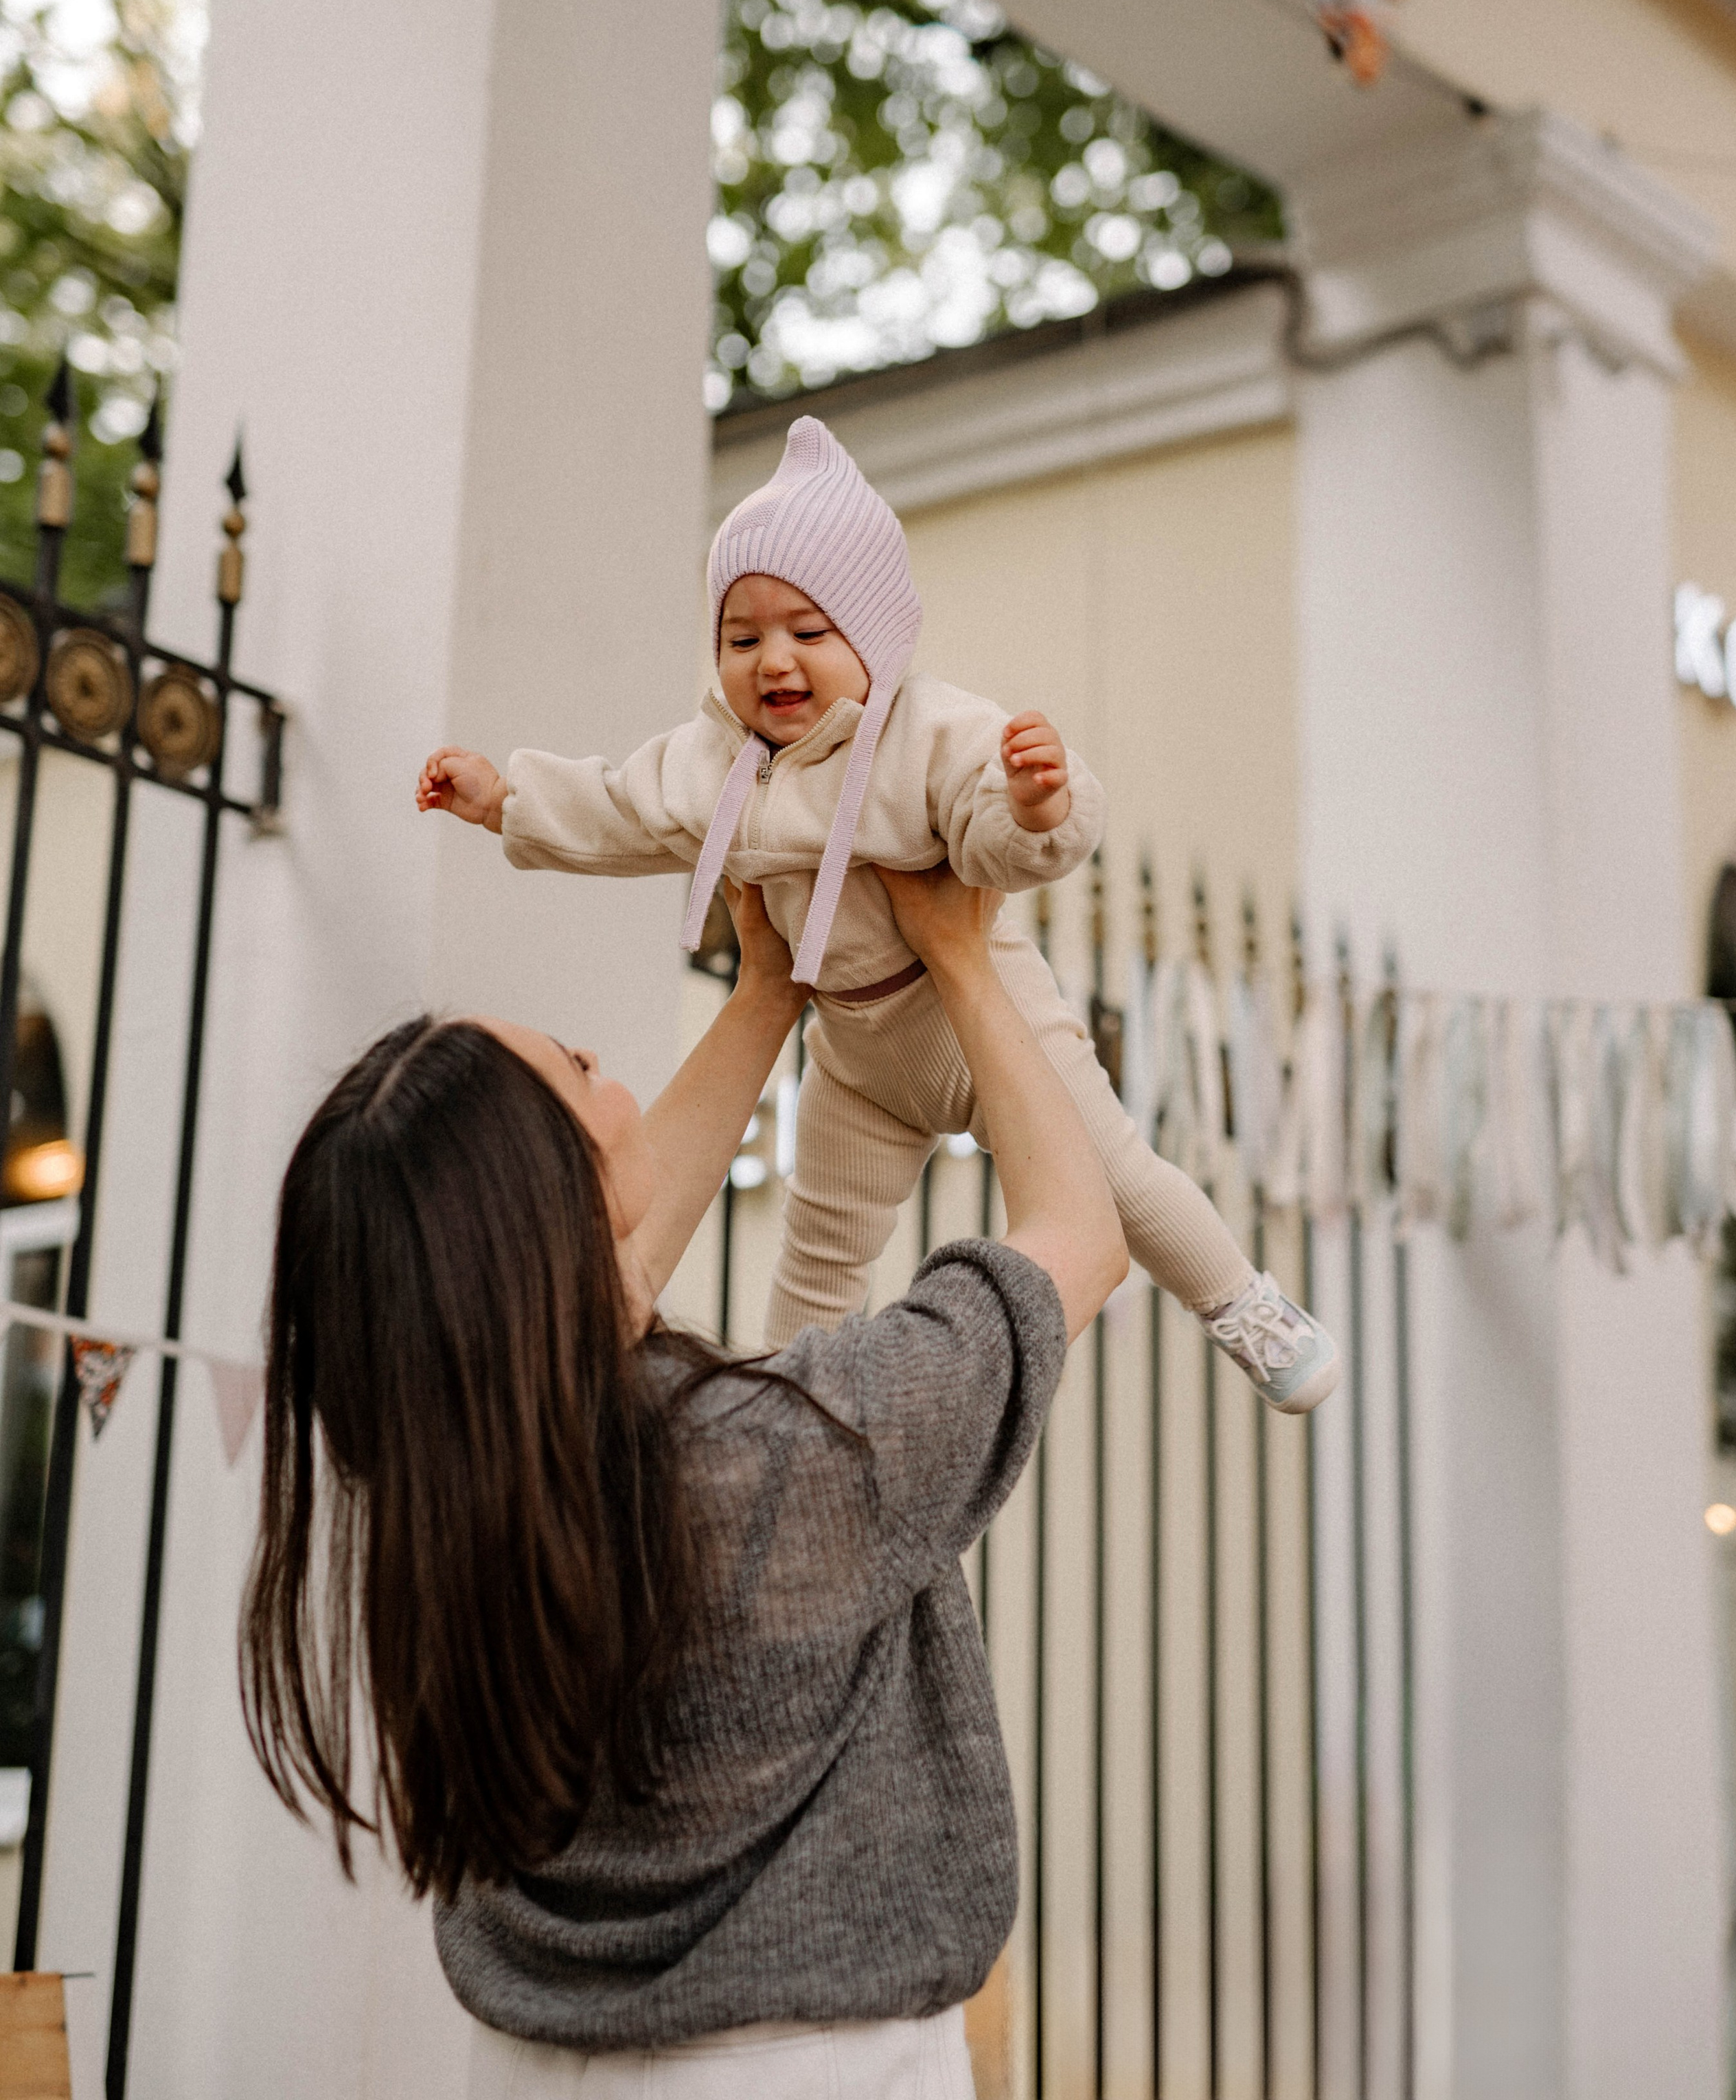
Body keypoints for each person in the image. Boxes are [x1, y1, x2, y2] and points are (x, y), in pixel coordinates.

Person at [242, 863, 1126, 2095]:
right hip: (811, 2071)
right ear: (552, 1199)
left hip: (530, 2062)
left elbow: (587, 1284)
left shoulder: (439, 1462)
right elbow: (1080, 1234)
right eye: (580, 1066)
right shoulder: (796, 1455)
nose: (609, 1063)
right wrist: (964, 956)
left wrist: (771, 990)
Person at [416, 415, 1335, 1412]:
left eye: (809, 633)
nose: (774, 661)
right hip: (856, 1047)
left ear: (879, 635)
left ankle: (1244, 1305)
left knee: (1115, 1175)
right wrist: (506, 799)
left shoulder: (928, 732)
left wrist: (1035, 803)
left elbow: (997, 845)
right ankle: (785, 1406)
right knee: (820, 1240)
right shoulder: (714, 764)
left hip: (983, 1017)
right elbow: (620, 811)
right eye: (742, 637)